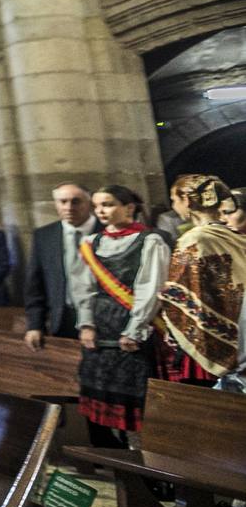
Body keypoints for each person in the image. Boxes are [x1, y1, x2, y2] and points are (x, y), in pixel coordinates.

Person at [70, 184, 170, 446]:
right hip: (101, 332)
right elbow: (83, 288)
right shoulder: (91, 243)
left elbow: (151, 287)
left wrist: (134, 328)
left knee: (140, 400)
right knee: (103, 399)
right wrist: (86, 325)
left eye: (108, 204)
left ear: (129, 207)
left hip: (134, 328)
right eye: (98, 205)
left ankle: (148, 460)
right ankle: (115, 458)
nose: (101, 211)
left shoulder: (150, 240)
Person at [155, 175, 243, 385]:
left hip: (208, 337)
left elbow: (180, 290)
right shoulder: (235, 235)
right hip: (240, 329)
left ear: (186, 200)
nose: (174, 206)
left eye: (174, 200)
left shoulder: (194, 239)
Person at [24, 183, 94, 348]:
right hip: (62, 318)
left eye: (76, 201)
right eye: (63, 202)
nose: (69, 207)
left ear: (89, 202)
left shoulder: (107, 231)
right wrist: (34, 325)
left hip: (103, 320)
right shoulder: (44, 235)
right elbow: (35, 284)